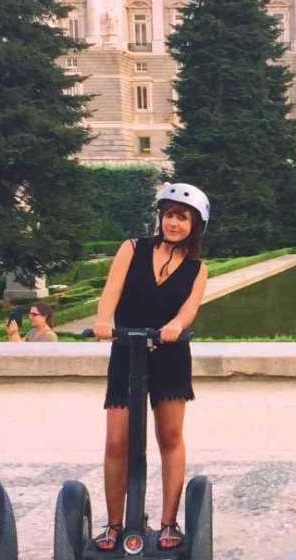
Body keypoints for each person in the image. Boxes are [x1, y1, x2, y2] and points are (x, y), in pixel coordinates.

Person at [89, 183, 210, 551]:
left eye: (182, 217)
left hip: (170, 354)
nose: (174, 223)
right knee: (116, 441)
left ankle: (169, 522)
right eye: (169, 215)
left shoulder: (197, 268)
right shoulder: (132, 248)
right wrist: (103, 319)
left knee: (169, 437)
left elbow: (189, 309)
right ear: (161, 217)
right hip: (126, 348)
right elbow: (111, 290)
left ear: (195, 224)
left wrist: (176, 325)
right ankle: (114, 524)